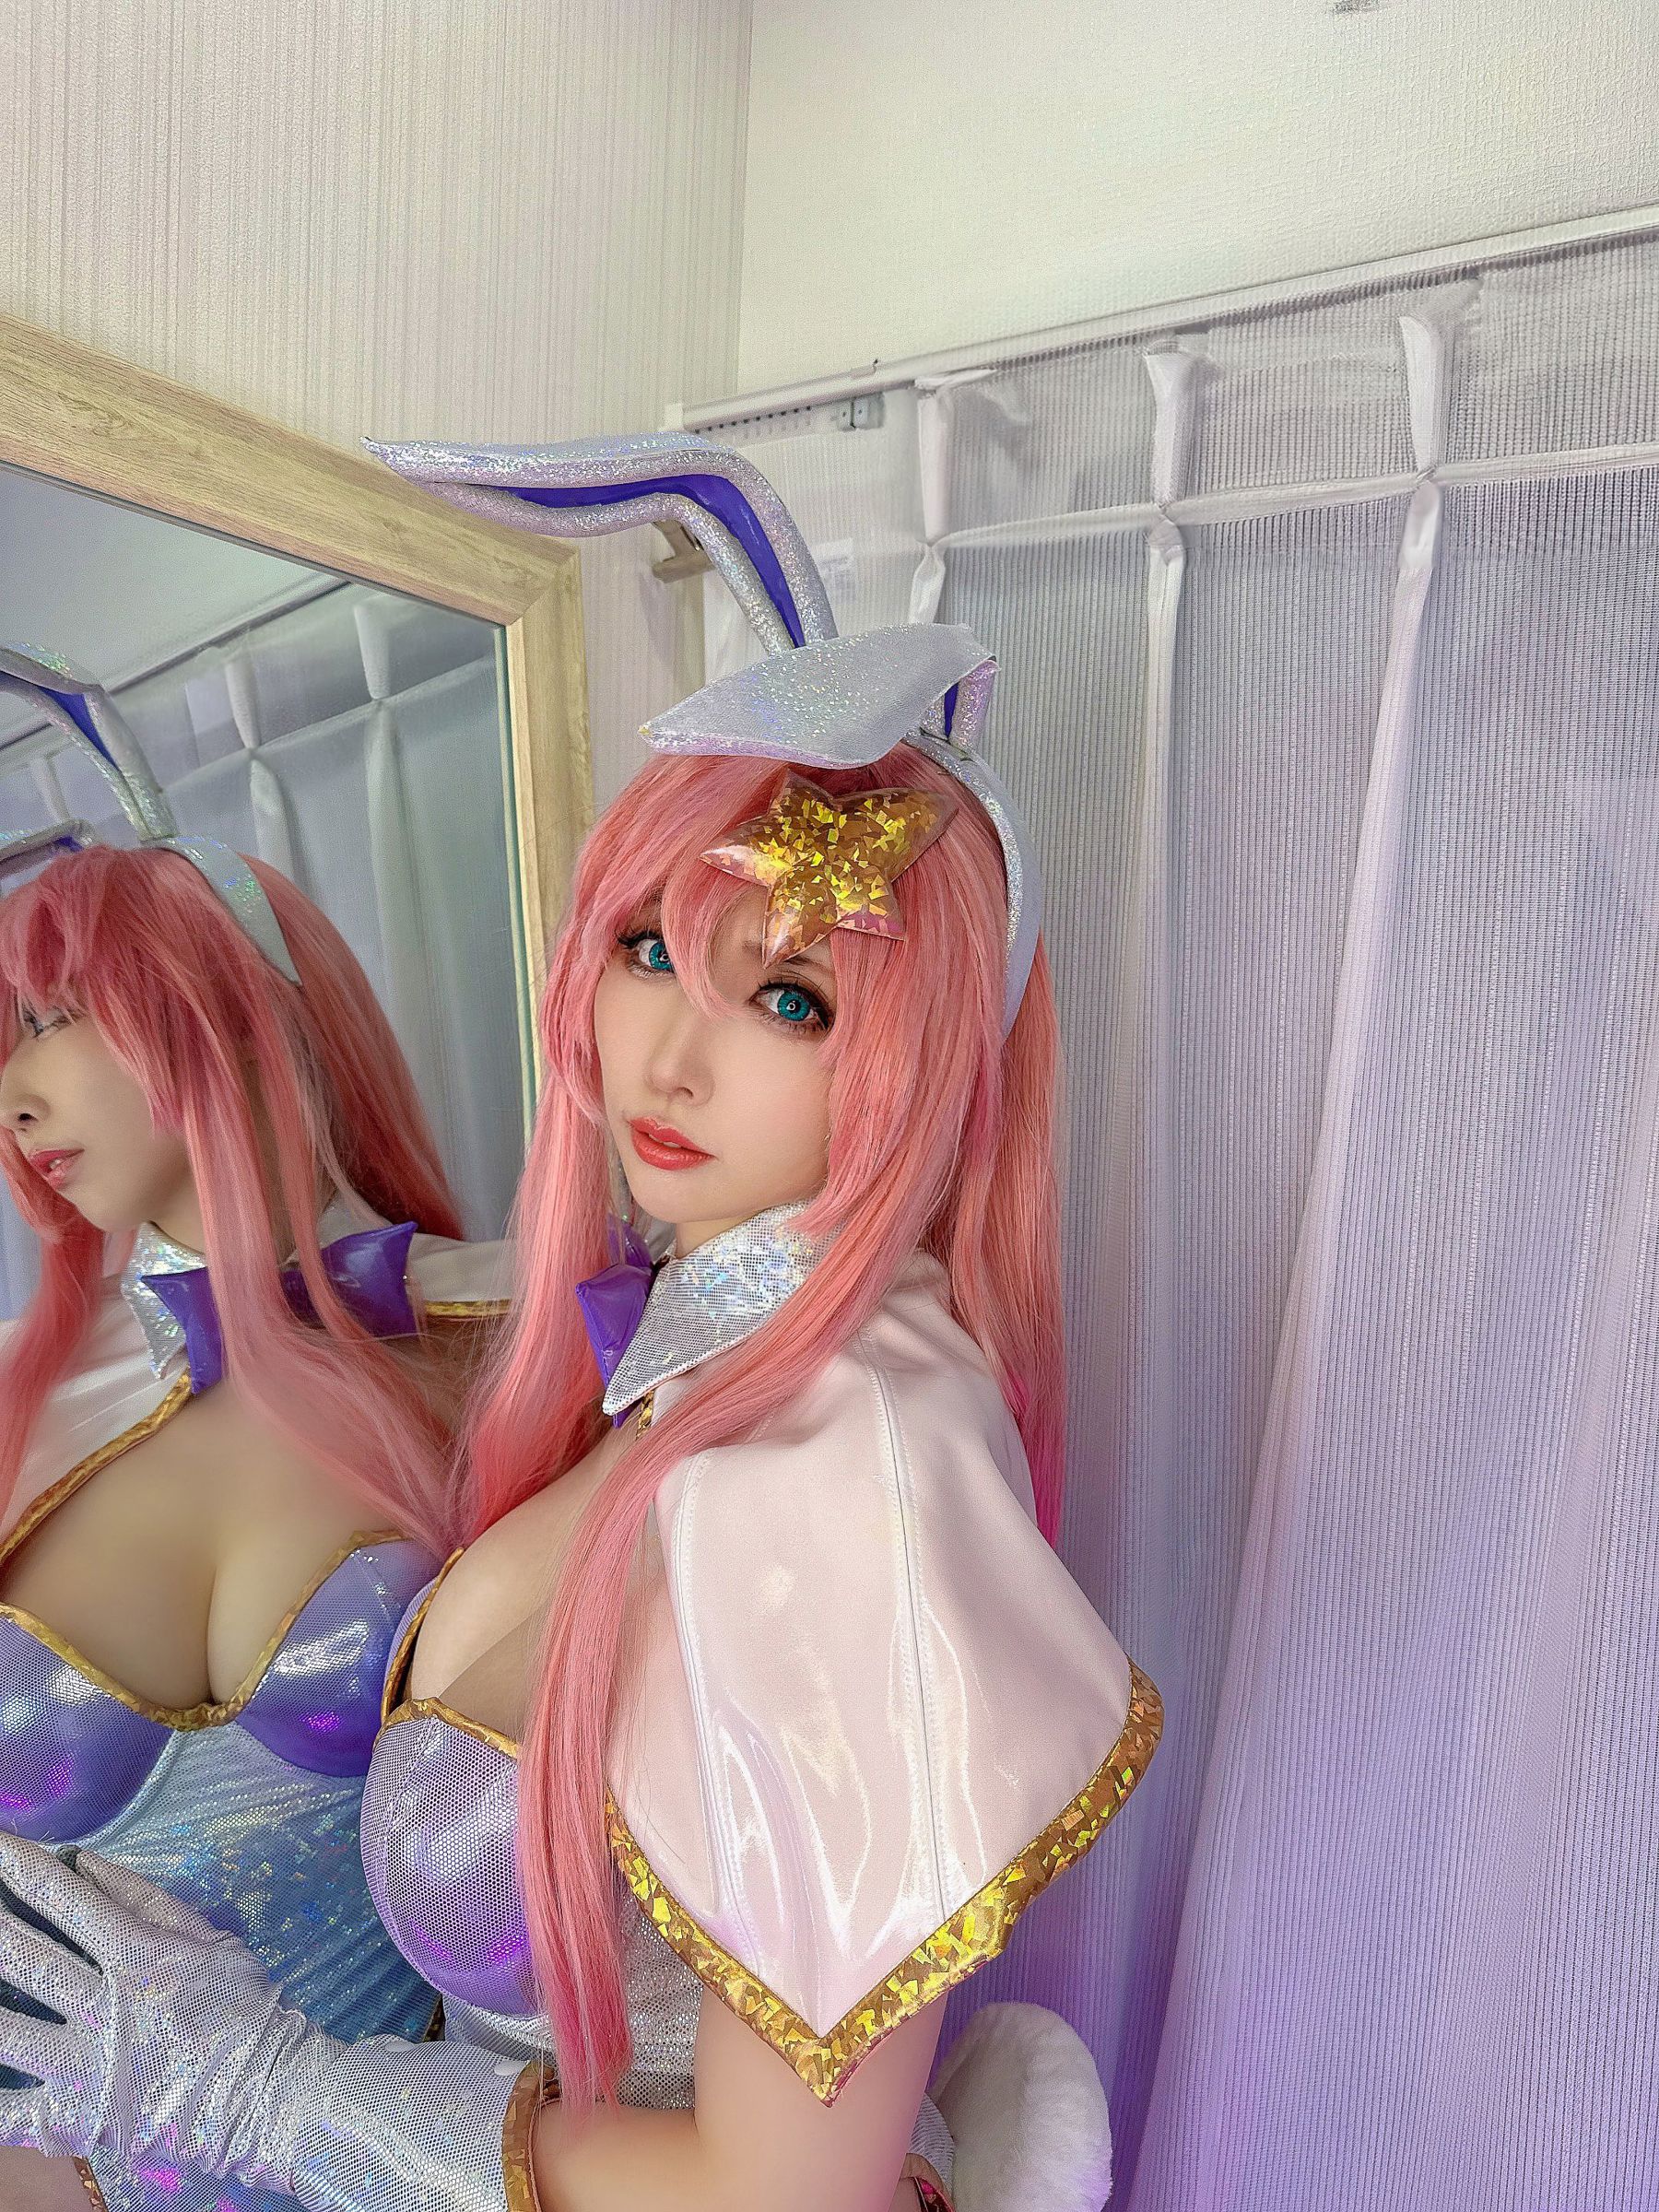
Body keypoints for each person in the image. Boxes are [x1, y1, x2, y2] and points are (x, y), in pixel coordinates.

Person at [0, 447, 1159, 2212]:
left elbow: (783, 2201)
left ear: (922, 1056)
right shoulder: (683, 1395)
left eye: (791, 997)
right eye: (645, 949)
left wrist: (263, 2088)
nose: (668, 1058)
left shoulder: (844, 1458)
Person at [0, 648, 509, 2212]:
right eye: (11, 1032)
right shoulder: (20, 1404)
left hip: (417, 2161)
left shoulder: (503, 1341)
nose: (14, 1087)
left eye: (59, 1015)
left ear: (226, 1016)